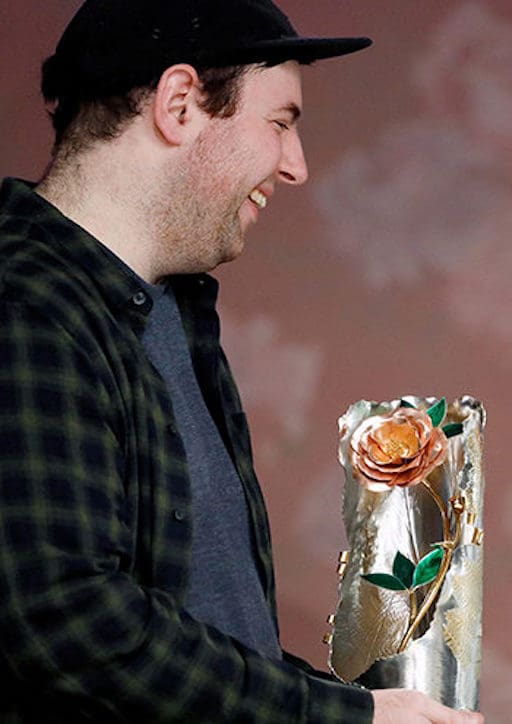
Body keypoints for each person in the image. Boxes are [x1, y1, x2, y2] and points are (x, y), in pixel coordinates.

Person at [0, 2, 483, 722]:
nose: (296, 166)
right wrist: (349, 720)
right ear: (180, 103)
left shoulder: (169, 314)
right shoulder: (26, 304)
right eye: (281, 123)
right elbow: (65, 620)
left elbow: (214, 637)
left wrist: (360, 707)